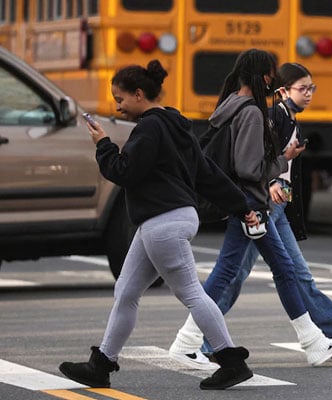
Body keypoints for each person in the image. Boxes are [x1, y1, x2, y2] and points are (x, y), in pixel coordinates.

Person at [58, 60, 260, 390]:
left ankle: (231, 361)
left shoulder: (149, 128)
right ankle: (101, 364)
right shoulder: (177, 126)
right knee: (126, 291)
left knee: (191, 293)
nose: (117, 106)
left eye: (120, 99)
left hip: (162, 221)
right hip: (172, 218)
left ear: (139, 94)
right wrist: (241, 206)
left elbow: (124, 172)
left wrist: (103, 145)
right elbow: (206, 174)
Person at [168, 62, 332, 369]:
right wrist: (278, 174)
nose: (308, 94)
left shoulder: (269, 114)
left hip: (263, 205)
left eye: (311, 88)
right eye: (302, 88)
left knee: (283, 272)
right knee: (240, 273)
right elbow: (251, 166)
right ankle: (193, 341)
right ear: (278, 88)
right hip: (255, 204)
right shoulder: (266, 115)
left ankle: (324, 338)